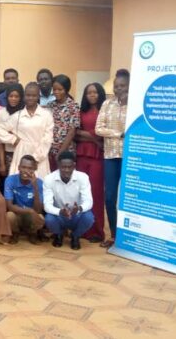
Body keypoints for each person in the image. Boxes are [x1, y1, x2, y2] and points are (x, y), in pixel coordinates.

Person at [96, 69, 129, 248]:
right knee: (109, 197)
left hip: (131, 158)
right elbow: (98, 128)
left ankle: (129, 236)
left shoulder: (137, 106)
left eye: (122, 85)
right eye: (116, 86)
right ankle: (115, 235)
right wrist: (119, 134)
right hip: (110, 156)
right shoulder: (107, 105)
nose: (119, 89)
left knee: (129, 197)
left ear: (130, 86)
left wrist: (122, 135)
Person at [0, 82, 54, 180]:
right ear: (24, 96)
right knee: (20, 184)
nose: (30, 98)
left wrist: (35, 158)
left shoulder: (46, 115)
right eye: (28, 95)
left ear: (38, 96)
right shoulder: (18, 116)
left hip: (40, 155)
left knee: (39, 185)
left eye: (34, 95)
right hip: (21, 154)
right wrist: (13, 139)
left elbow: (47, 139)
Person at [43, 151, 95, 250]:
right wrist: (60, 211)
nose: (66, 170)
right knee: (49, 219)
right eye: (63, 167)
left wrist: (79, 208)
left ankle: (75, 236)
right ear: (58, 165)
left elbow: (89, 201)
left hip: (76, 214)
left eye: (69, 167)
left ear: (74, 165)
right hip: (60, 215)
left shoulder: (83, 177)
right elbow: (47, 205)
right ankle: (59, 234)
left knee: (89, 217)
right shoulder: (49, 179)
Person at [76, 83, 106, 243]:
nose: (92, 95)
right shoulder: (81, 111)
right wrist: (93, 137)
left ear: (100, 94)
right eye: (89, 93)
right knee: (80, 192)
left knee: (95, 193)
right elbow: (75, 134)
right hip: (81, 155)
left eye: (95, 92)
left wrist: (85, 134)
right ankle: (81, 229)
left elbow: (103, 133)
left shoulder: (105, 110)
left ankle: (96, 230)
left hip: (97, 157)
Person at [4, 155, 45, 245]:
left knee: (41, 217)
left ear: (35, 169)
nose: (26, 171)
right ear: (18, 167)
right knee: (9, 215)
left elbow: (38, 210)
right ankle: (15, 233)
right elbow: (9, 206)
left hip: (31, 217)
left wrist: (35, 187)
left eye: (30, 168)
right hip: (17, 213)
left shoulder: (39, 183)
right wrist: (29, 210)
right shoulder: (10, 180)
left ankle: (32, 233)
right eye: (23, 167)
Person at [0, 83, 24, 195]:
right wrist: (2, 163)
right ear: (7, 97)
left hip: (23, 154)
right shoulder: (2, 113)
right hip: (8, 154)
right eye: (11, 96)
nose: (13, 99)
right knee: (9, 184)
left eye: (17, 96)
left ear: (21, 97)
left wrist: (11, 133)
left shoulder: (25, 112)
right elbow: (0, 139)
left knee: (23, 182)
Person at [46, 74, 81, 172]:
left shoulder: (73, 106)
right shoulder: (50, 105)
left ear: (66, 89)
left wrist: (60, 153)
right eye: (54, 89)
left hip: (66, 152)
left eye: (60, 89)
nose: (56, 92)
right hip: (50, 150)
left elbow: (72, 131)